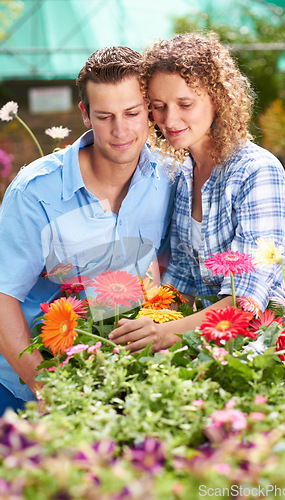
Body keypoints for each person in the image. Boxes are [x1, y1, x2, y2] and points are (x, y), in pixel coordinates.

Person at [110, 33, 285, 395]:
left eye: (185, 104)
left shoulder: (256, 171)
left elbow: (246, 302)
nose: (170, 119)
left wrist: (165, 332)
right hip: (252, 350)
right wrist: (142, 318)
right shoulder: (182, 175)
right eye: (158, 105)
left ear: (217, 100)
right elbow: (183, 275)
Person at [0, 46, 178, 416]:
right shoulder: (36, 192)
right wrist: (48, 390)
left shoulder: (169, 177)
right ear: (85, 116)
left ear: (149, 109)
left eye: (132, 113)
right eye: (105, 116)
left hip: (122, 380)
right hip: (29, 386)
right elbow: (2, 296)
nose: (121, 131)